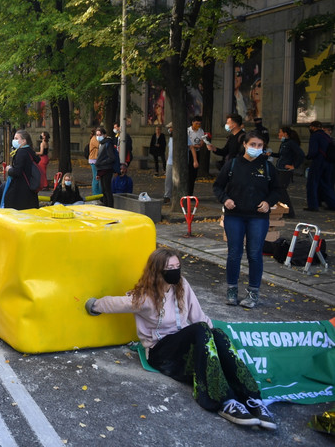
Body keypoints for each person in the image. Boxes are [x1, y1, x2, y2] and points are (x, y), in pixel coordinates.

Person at [85, 248, 276, 430]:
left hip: (184, 345)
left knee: (215, 333)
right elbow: (117, 303)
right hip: (161, 352)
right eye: (170, 269)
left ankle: (253, 398)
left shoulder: (182, 285)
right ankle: (223, 400)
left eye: (177, 267)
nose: (175, 272)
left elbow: (198, 316)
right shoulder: (146, 297)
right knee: (199, 330)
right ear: (158, 271)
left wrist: (216, 339)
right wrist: (94, 306)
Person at [213, 130, 281, 308]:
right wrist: (225, 199)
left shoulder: (267, 167)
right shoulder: (232, 164)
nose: (256, 148)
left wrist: (268, 202)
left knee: (255, 254)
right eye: (253, 145)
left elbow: (277, 190)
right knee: (234, 253)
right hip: (234, 216)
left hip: (257, 218)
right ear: (244, 144)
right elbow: (218, 186)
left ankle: (253, 293)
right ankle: (232, 291)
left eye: (259, 145)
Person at [1, 130, 40, 211]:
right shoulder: (29, 151)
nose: (14, 140)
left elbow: (17, 172)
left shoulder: (21, 152)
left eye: (16, 138)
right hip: (30, 190)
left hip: (20, 191)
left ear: (24, 141)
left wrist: (9, 169)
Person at [272, 126, 304, 218]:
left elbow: (301, 154)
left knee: (282, 189)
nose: (279, 134)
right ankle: (282, 210)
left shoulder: (291, 143)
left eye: (280, 132)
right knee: (278, 188)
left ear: (285, 134)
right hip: (279, 168)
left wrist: (294, 166)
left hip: (285, 170)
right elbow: (281, 155)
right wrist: (271, 154)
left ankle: (289, 211)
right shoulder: (284, 143)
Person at [303, 120, 335, 212]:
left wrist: (308, 157)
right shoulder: (326, 136)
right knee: (326, 184)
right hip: (329, 163)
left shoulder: (315, 136)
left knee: (312, 184)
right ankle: (332, 203)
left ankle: (313, 205)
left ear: (313, 127)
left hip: (318, 162)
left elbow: (313, 151)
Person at [95, 127, 120, 208]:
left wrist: (102, 162)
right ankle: (106, 205)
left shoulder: (107, 143)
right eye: (97, 135)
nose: (98, 136)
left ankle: (110, 206)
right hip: (102, 169)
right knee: (103, 190)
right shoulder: (101, 144)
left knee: (107, 189)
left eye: (100, 134)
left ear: (104, 135)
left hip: (107, 169)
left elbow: (111, 157)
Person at [187, 116, 205, 195]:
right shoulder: (188, 131)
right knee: (188, 173)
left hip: (197, 152)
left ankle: (190, 193)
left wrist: (201, 144)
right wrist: (193, 146)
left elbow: (202, 140)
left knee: (193, 174)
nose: (198, 125)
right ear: (192, 122)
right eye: (196, 123)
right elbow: (187, 144)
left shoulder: (201, 131)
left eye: (199, 124)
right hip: (189, 153)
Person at [87, 129, 101, 196]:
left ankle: (98, 192)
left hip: (96, 159)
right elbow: (100, 145)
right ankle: (95, 193)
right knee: (96, 177)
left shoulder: (94, 138)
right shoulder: (94, 139)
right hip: (94, 160)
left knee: (97, 176)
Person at [164, 123, 174, 204]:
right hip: (170, 162)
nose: (169, 129)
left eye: (170, 128)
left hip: (176, 162)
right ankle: (167, 196)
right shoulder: (170, 138)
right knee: (168, 180)